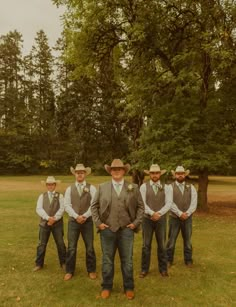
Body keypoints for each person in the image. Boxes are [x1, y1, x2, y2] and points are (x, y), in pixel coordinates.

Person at [91, 159, 144, 300]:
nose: (116, 171)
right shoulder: (102, 187)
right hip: (107, 229)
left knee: (127, 260)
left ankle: (129, 287)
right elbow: (94, 206)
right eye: (114, 169)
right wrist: (98, 223)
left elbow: (141, 207)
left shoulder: (133, 187)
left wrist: (135, 223)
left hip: (126, 230)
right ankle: (106, 286)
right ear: (110, 172)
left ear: (123, 171)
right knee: (107, 260)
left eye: (119, 169)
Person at [64, 164, 97, 281]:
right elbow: (67, 205)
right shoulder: (69, 189)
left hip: (87, 222)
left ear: (85, 174)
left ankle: (91, 270)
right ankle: (69, 271)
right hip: (73, 222)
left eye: (82, 172)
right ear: (75, 174)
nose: (79, 174)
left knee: (89, 247)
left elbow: (94, 205)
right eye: (77, 172)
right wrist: (76, 216)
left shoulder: (91, 188)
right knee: (72, 247)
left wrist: (84, 216)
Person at [139, 164, 172, 278]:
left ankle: (163, 269)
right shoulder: (143, 187)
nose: (154, 175)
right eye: (152, 173)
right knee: (146, 245)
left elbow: (169, 203)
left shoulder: (167, 187)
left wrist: (159, 214)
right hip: (147, 219)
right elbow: (142, 203)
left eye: (157, 173)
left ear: (160, 174)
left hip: (161, 219)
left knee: (162, 245)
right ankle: (144, 269)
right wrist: (152, 213)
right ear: (149, 174)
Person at [33, 176, 66, 271]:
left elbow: (62, 208)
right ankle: (39, 264)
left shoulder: (60, 196)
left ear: (55, 185)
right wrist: (48, 218)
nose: (50, 186)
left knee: (60, 243)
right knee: (42, 244)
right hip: (44, 223)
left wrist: (54, 218)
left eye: (52, 184)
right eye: (48, 184)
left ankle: (63, 262)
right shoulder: (42, 196)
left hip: (57, 224)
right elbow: (38, 209)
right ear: (46, 186)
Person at [166, 166, 197, 267]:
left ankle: (188, 260)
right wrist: (180, 213)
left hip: (187, 219)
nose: (180, 175)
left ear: (185, 174)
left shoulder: (191, 187)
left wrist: (187, 214)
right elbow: (169, 203)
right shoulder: (169, 187)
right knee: (171, 240)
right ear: (175, 175)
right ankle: (168, 260)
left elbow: (194, 203)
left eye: (182, 173)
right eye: (178, 173)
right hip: (174, 218)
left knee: (188, 240)